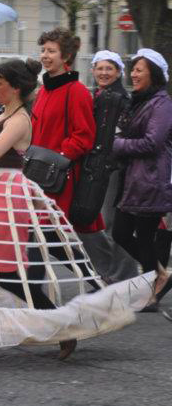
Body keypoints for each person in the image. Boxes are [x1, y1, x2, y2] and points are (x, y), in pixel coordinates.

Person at [0, 60, 154, 365]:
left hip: (6, 196)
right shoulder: (2, 113)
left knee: (5, 275)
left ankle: (59, 327)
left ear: (16, 88)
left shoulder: (21, 119)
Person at [29, 27, 102, 290]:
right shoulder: (44, 90)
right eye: (43, 50)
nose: (44, 56)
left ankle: (36, 297)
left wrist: (57, 157)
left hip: (59, 178)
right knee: (44, 236)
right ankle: (95, 281)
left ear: (66, 56)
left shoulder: (77, 91)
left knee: (42, 234)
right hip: (38, 175)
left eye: (51, 51)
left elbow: (84, 136)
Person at [111, 48, 172, 312]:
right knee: (122, 233)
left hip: (152, 178)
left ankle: (151, 290)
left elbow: (152, 142)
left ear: (154, 74)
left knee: (143, 236)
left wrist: (117, 144)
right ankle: (159, 276)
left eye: (139, 70)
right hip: (135, 177)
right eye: (133, 69)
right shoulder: (139, 100)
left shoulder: (163, 104)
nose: (133, 74)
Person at [77, 51, 139, 283]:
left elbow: (110, 137)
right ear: (92, 70)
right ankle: (115, 274)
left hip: (109, 168)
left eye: (109, 69)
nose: (103, 73)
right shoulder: (104, 95)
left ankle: (120, 276)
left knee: (109, 224)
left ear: (119, 72)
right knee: (105, 224)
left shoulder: (114, 98)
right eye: (100, 68)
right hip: (106, 166)